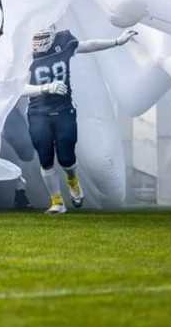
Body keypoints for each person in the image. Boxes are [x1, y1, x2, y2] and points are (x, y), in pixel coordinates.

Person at [22, 24, 137, 214]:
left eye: (42, 38)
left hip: (63, 109)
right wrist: (45, 88)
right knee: (45, 159)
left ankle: (72, 179)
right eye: (36, 38)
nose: (38, 43)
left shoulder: (63, 42)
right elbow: (18, 88)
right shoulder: (23, 54)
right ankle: (57, 202)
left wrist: (117, 42)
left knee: (66, 158)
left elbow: (87, 45)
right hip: (38, 112)